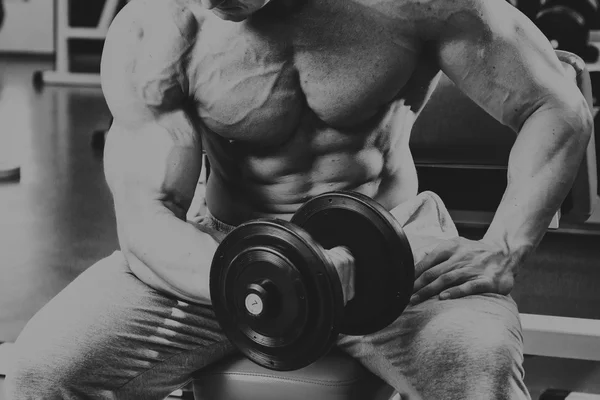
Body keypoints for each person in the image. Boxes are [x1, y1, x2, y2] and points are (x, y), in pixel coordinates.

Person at [5, 0, 593, 398]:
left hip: (395, 253)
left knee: (478, 364)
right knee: (43, 371)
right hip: (220, 254)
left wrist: (504, 245)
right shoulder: (157, 28)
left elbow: (556, 107)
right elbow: (146, 215)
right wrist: (281, 277)